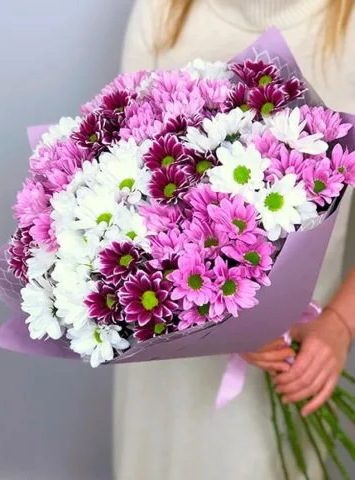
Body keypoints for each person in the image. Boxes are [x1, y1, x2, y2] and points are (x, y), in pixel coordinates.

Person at [113, 1, 355, 478]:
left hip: (294, 357)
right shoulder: (163, 10)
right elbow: (119, 175)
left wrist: (340, 325)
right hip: (164, 364)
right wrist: (225, 317)